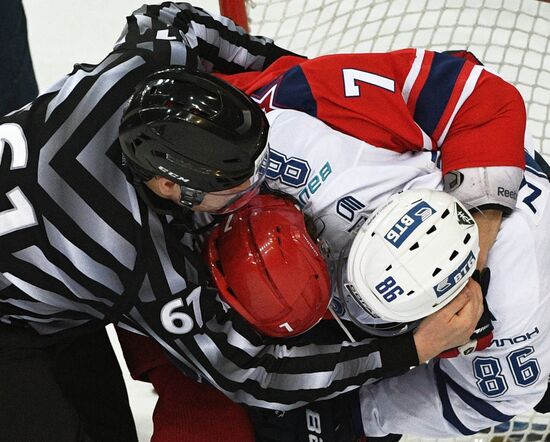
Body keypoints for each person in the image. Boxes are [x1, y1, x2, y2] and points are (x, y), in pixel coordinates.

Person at [0, 3, 481, 440]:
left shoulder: (147, 64)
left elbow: (174, 20)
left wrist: (306, 81)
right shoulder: (138, 254)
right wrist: (410, 349)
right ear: (169, 186)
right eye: (233, 189)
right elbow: (249, 371)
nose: (256, 190)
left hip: (36, 255)